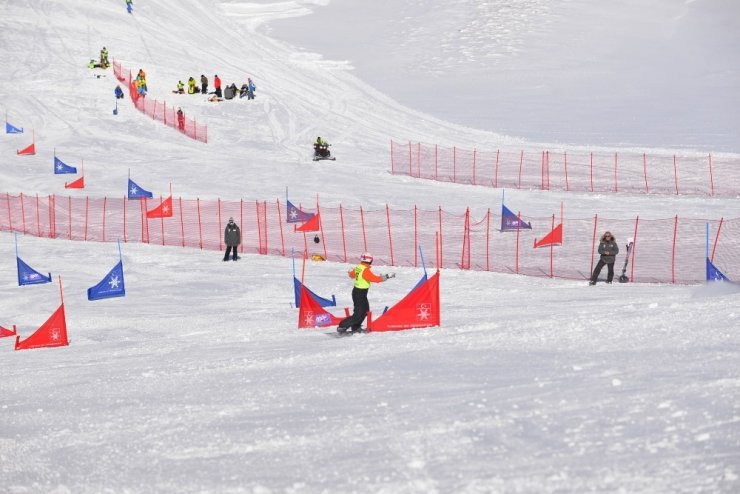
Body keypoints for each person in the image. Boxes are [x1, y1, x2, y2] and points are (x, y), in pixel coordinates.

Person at [336, 252, 393, 333]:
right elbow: (375, 279)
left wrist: (350, 272)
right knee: (358, 314)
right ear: (370, 260)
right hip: (359, 293)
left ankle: (356, 327)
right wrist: (387, 276)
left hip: (359, 293)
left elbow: (352, 275)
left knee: (365, 311)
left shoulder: (359, 267)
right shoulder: (365, 270)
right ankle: (342, 326)